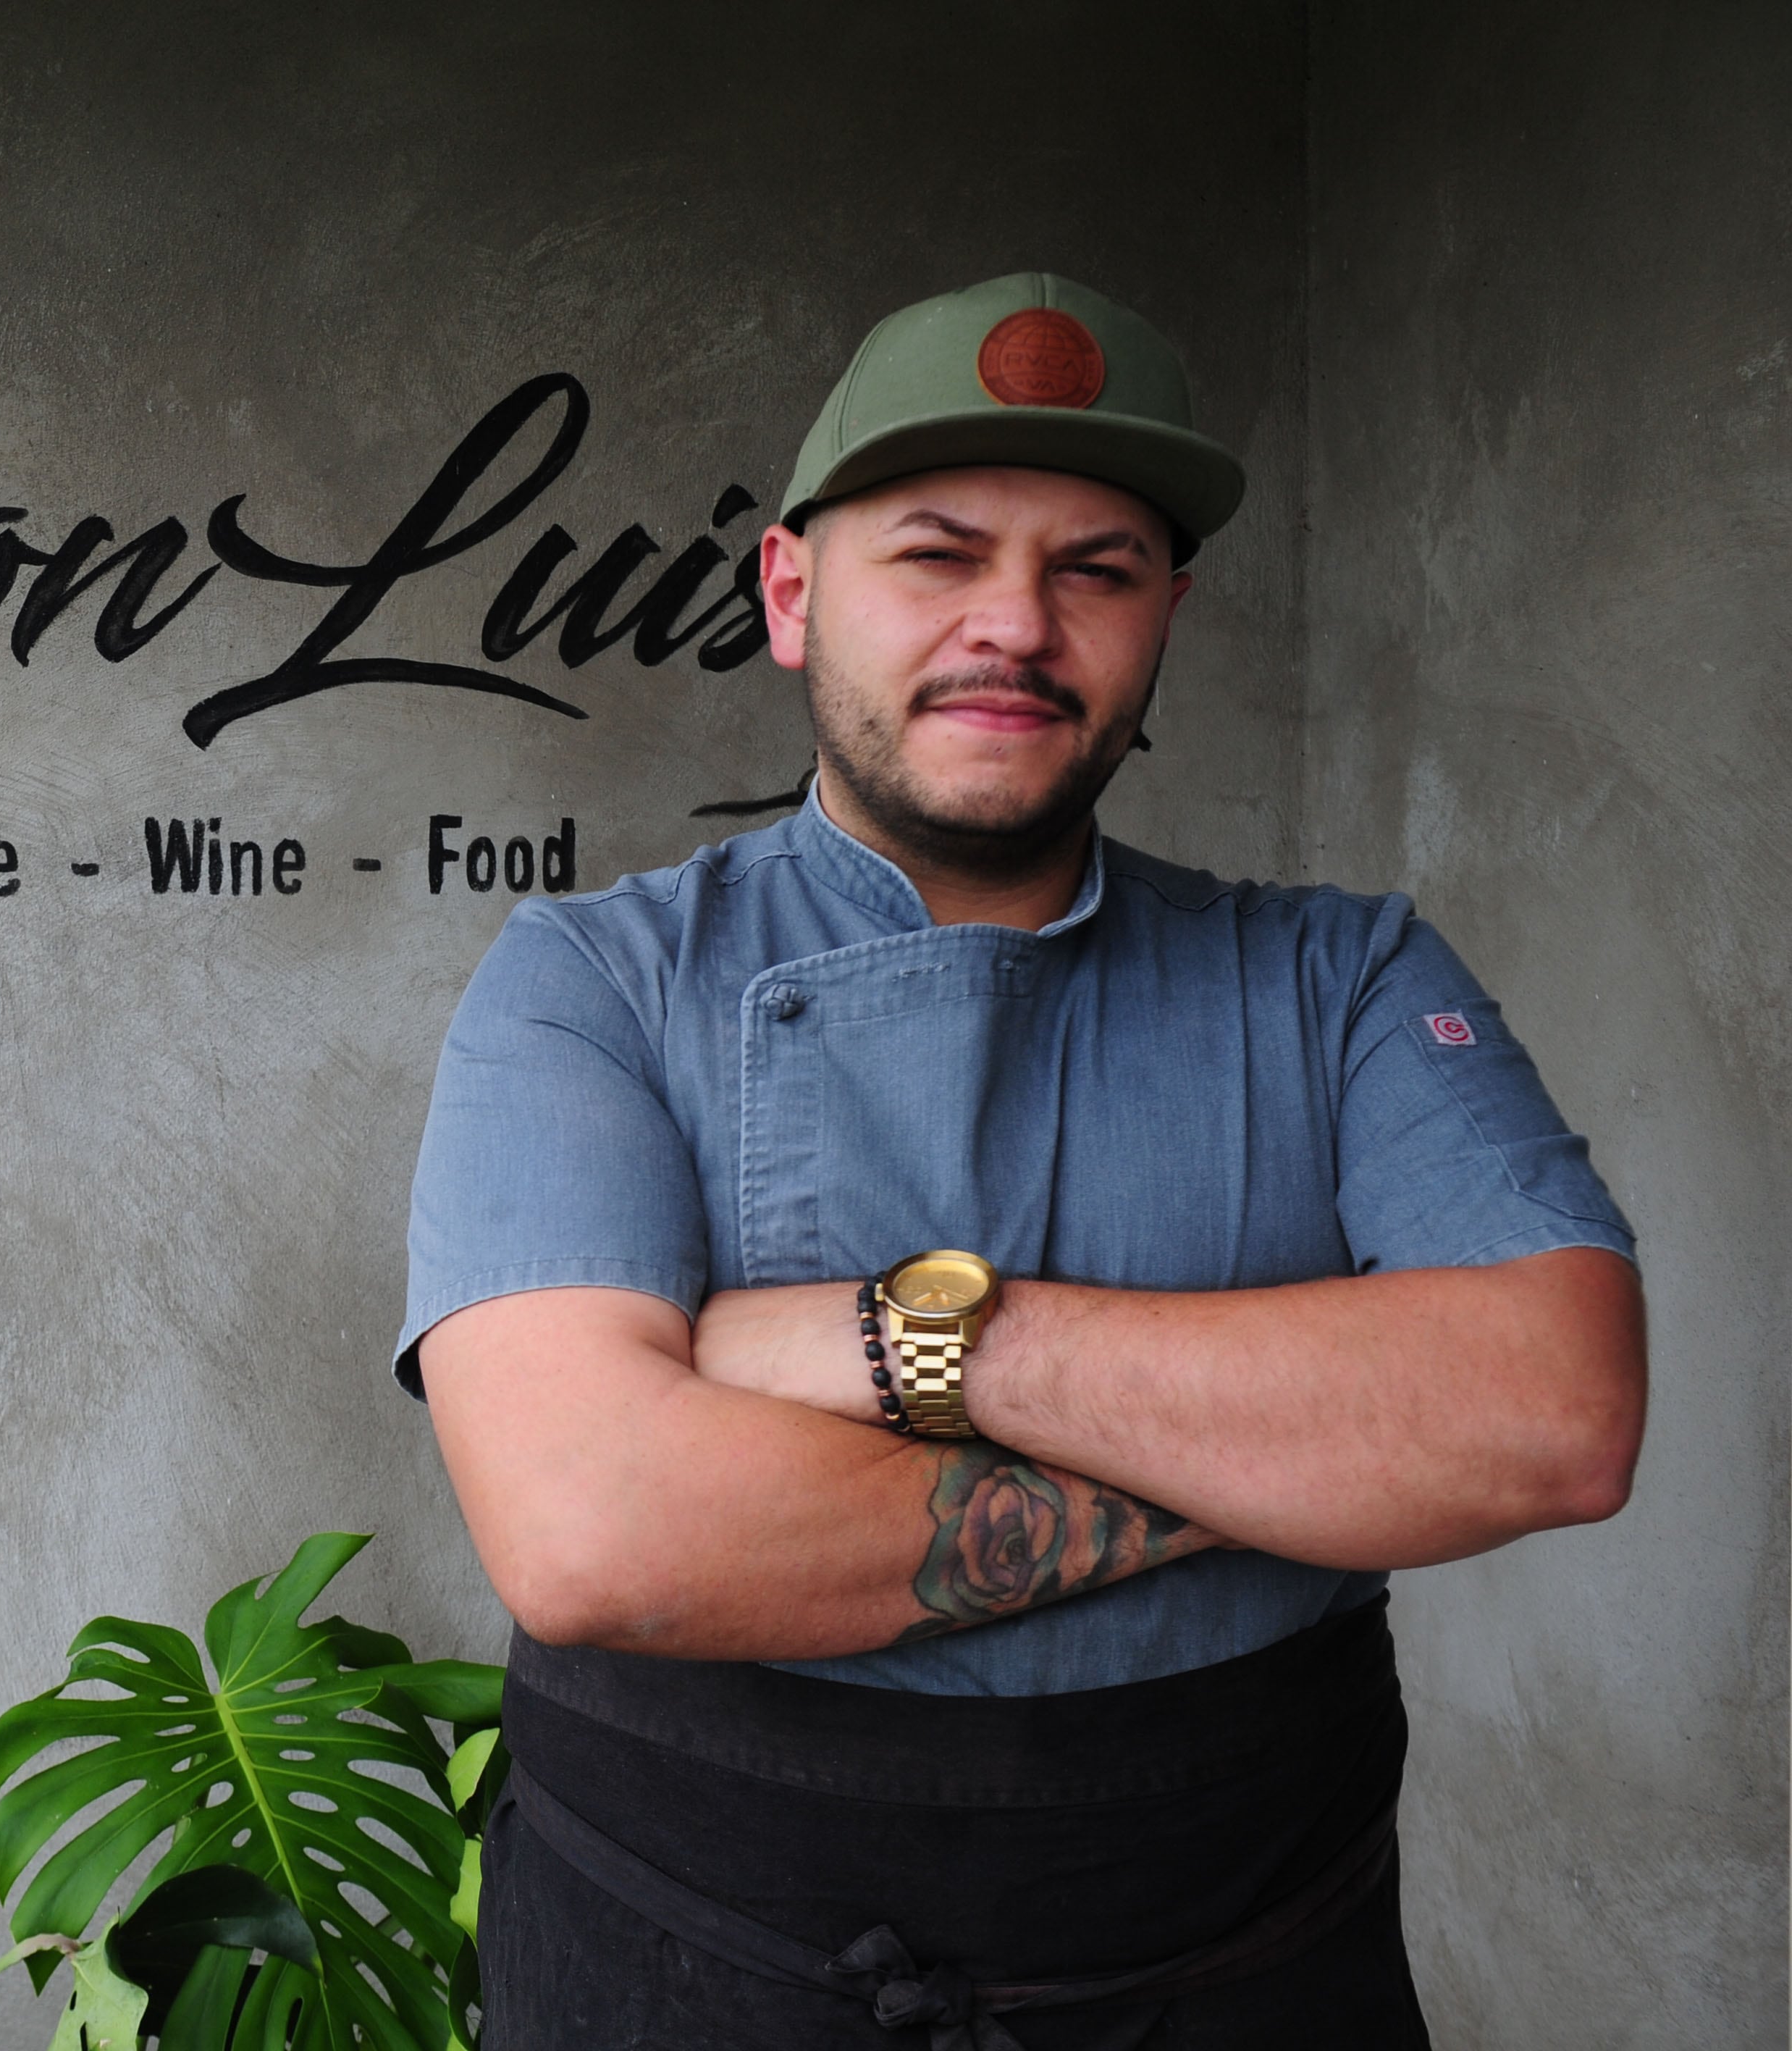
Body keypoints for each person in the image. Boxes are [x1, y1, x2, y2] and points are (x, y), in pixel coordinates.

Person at [397, 272, 1644, 2049]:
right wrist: (1295, 1449)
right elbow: (601, 1537)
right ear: (790, 592)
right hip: (686, 1962)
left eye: (1097, 569)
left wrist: (917, 1339)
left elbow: (1551, 1420)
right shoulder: (589, 983)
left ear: (1167, 620)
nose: (1017, 625)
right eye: (937, 553)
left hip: (1235, 1961)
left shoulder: (1342, 975)